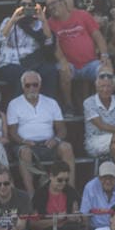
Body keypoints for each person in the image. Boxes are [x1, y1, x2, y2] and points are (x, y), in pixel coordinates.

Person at [6, 69, 75, 199]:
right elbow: (12, 131)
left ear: (40, 85)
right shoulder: (14, 104)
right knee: (24, 152)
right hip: (26, 144)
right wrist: (23, 141)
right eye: (28, 85)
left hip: (49, 144)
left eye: (35, 84)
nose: (32, 88)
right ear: (22, 87)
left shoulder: (51, 103)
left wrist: (56, 139)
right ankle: (32, 195)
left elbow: (62, 129)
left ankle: (70, 191)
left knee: (66, 148)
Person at [45, 0, 112, 117]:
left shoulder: (82, 15)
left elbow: (98, 36)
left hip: (90, 63)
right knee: (63, 70)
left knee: (106, 71)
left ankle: (104, 105)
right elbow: (55, 46)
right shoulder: (50, 23)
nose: (51, 7)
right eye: (48, 6)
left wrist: (104, 55)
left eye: (54, 3)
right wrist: (62, 60)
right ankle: (68, 105)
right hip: (71, 65)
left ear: (63, 2)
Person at [0, 0, 59, 99]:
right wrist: (13, 19)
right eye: (23, 5)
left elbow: (49, 42)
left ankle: (48, 106)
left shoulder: (38, 24)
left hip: (33, 63)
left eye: (30, 5)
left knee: (50, 71)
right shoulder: (8, 21)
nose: (27, 7)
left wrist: (43, 20)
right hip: (10, 63)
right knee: (25, 76)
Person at [31, 160, 85, 230]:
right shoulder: (40, 194)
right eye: (60, 180)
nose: (63, 183)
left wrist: (76, 217)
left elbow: (78, 215)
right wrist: (56, 220)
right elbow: (34, 224)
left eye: (66, 180)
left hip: (69, 228)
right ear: (51, 176)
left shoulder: (71, 192)